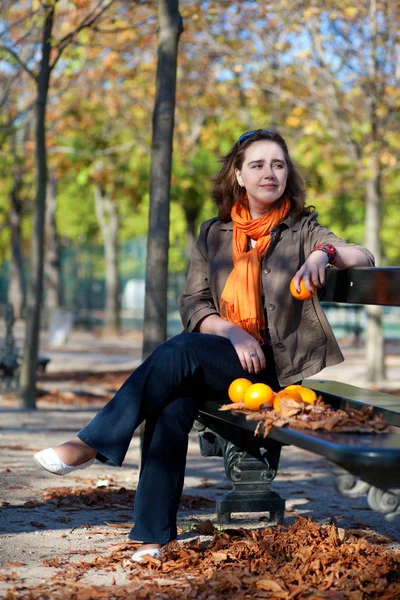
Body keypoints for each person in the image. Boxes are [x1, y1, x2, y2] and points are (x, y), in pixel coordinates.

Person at [34, 129, 374, 562]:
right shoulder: (214, 234)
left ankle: (93, 443)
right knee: (171, 397)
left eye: (278, 164)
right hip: (222, 354)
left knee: (180, 351)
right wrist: (231, 331)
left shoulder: (301, 228)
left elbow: (362, 255)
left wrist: (322, 254)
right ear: (238, 174)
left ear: (288, 173)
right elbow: (193, 302)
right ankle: (152, 536)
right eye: (258, 164)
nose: (270, 172)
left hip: (271, 367)